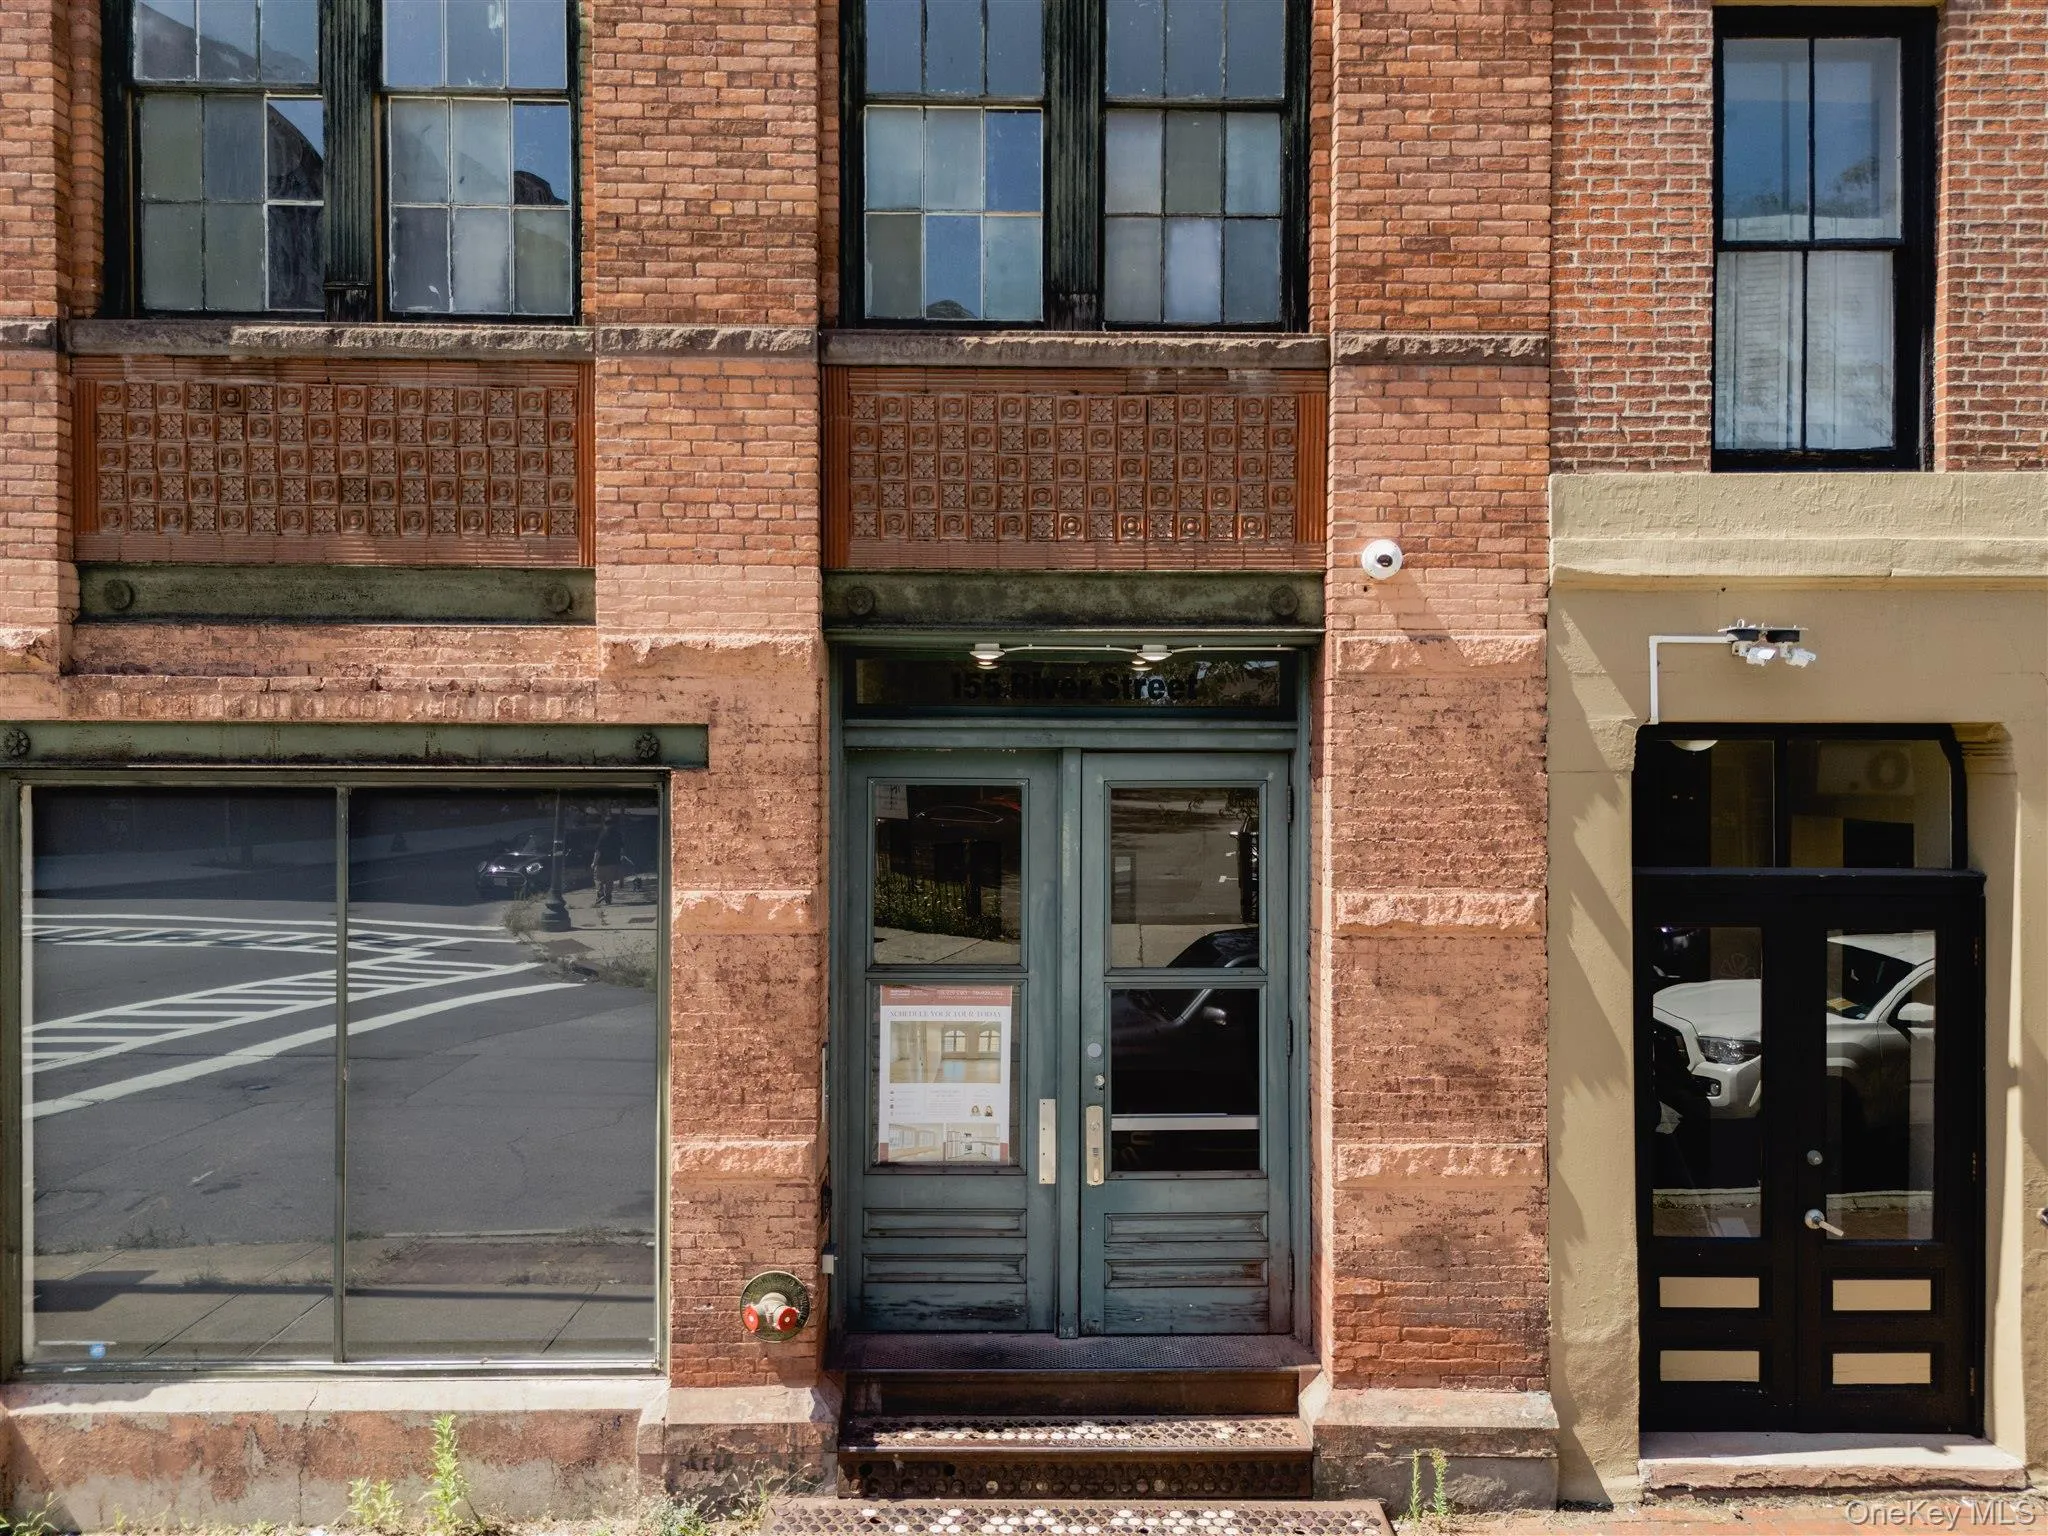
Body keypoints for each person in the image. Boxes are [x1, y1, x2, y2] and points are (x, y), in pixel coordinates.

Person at [592, 814, 624, 906]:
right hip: (613, 862)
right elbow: (622, 850)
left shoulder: (603, 835)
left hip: (602, 862)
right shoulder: (618, 835)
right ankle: (608, 897)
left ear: (605, 824)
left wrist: (594, 863)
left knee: (598, 879)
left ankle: (600, 893)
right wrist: (620, 859)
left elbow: (598, 851)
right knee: (609, 881)